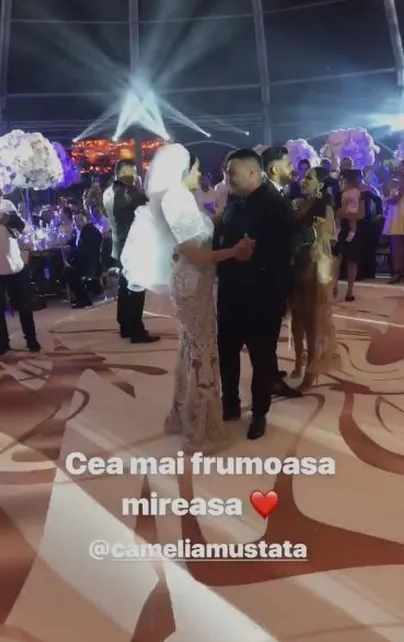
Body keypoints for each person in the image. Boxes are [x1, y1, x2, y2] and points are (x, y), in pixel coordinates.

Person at [121, 143, 254, 452]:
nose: (199, 174)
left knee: (193, 345)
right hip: (192, 281)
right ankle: (199, 425)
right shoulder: (177, 200)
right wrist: (234, 252)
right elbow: (195, 253)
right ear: (183, 170)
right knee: (200, 347)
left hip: (196, 280)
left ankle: (187, 414)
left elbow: (198, 234)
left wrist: (220, 216)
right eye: (196, 169)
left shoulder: (182, 197)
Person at [214, 147, 301, 441]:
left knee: (262, 357)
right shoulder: (234, 200)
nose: (228, 177)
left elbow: (286, 249)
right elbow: (224, 238)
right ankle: (230, 402)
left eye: (233, 172)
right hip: (231, 291)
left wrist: (254, 255)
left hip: (262, 295)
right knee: (227, 351)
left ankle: (260, 413)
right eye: (227, 172)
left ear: (253, 172)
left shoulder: (275, 203)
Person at [290, 168, 337, 390]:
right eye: (304, 177)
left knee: (312, 320)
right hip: (294, 263)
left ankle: (311, 368)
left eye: (309, 178)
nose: (304, 180)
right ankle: (298, 359)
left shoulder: (323, 208)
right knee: (295, 317)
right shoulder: (297, 203)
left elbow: (327, 238)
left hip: (314, 266)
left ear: (320, 184)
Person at [103, 159, 159, 343]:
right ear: (119, 172)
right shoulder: (124, 191)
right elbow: (144, 202)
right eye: (130, 172)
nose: (133, 176)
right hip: (132, 246)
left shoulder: (108, 191)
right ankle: (137, 330)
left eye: (134, 172)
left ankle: (126, 326)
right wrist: (138, 189)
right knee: (136, 289)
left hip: (120, 245)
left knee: (125, 288)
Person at [0, 175, 41, 356]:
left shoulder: (7, 204)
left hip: (15, 264)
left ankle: (31, 339)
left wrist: (9, 219)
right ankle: (2, 342)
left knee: (24, 305)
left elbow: (22, 227)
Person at [333, 169, 366, 301]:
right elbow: (336, 212)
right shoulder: (339, 194)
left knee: (352, 260)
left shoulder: (361, 195)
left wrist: (347, 215)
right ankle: (333, 286)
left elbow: (361, 214)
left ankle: (350, 291)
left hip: (354, 229)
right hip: (341, 229)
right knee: (337, 259)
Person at [63, 211, 103, 308]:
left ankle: (84, 298)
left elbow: (86, 252)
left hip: (91, 263)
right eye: (75, 220)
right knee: (64, 268)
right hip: (83, 260)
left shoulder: (90, 232)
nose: (77, 222)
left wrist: (71, 260)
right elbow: (73, 244)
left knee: (68, 272)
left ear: (86, 219)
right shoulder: (77, 231)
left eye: (80, 220)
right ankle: (86, 292)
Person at [383, 160, 404, 283]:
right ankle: (398, 271)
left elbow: (397, 198)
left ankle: (397, 272)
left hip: (400, 212)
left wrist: (388, 200)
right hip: (398, 211)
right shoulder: (398, 180)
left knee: (397, 243)